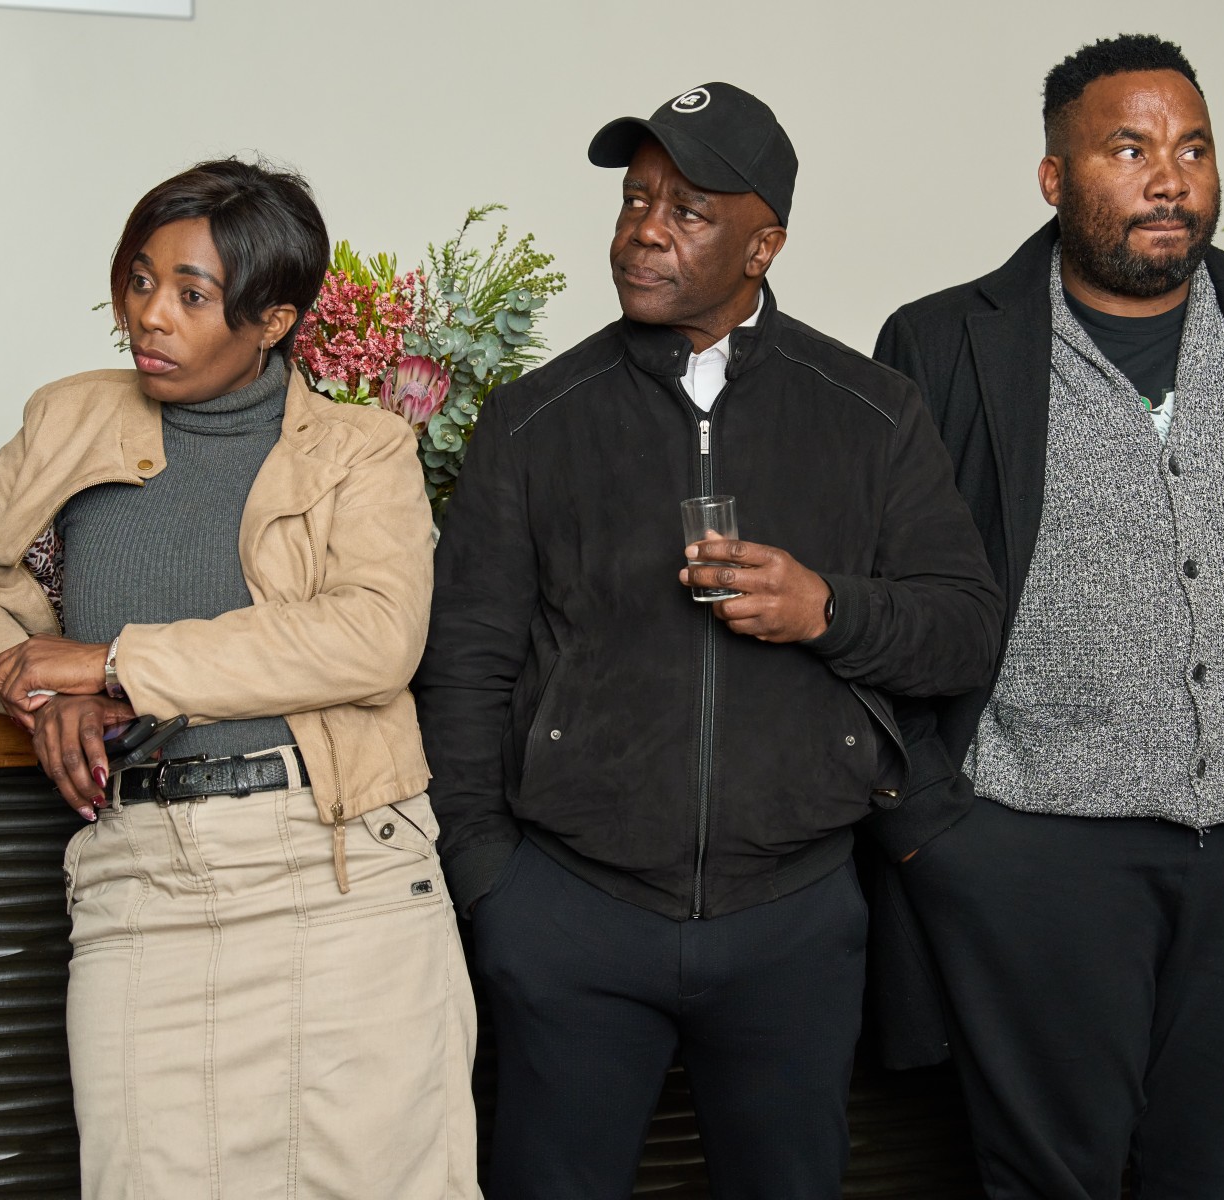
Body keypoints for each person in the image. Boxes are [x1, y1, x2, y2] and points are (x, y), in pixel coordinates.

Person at [414, 83, 1003, 1199]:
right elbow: (466, 667)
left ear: (762, 246)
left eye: (686, 210)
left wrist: (826, 608)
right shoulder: (532, 421)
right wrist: (492, 885)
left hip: (794, 917)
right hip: (570, 915)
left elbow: (966, 632)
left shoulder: (873, 413)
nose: (644, 229)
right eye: (636, 200)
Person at [869, 34, 1224, 1200]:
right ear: (1054, 178)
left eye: (1193, 149)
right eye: (1129, 149)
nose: (1170, 178)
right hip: (1034, 853)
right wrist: (934, 829)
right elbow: (887, 596)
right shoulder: (944, 343)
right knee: (1049, 1178)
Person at [0, 158, 478, 1199]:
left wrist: (117, 661)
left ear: (274, 321)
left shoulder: (362, 449)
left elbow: (374, 637)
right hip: (141, 880)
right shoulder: (67, 420)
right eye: (139, 280)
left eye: (191, 294)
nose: (149, 315)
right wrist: (35, 686)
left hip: (338, 876)